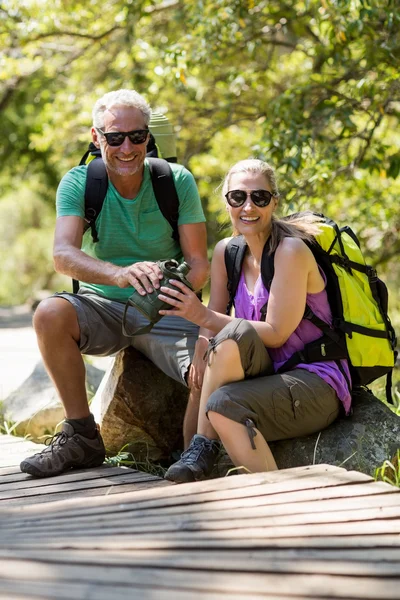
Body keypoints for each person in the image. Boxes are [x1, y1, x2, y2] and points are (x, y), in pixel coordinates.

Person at [20, 89, 209, 478]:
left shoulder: (176, 181)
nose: (127, 148)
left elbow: (199, 264)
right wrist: (119, 274)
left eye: (137, 137)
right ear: (96, 137)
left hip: (167, 309)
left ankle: (198, 453)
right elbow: (63, 255)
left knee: (212, 363)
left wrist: (166, 288)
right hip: (102, 307)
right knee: (50, 313)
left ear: (148, 138)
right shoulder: (79, 183)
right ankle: (82, 437)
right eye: (115, 137)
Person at [158, 158, 352, 483]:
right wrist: (199, 357)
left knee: (223, 398)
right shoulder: (227, 252)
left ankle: (269, 496)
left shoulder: (290, 251)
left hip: (313, 379)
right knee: (214, 351)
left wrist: (200, 315)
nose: (248, 206)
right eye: (238, 197)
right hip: (267, 371)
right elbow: (214, 320)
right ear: (227, 202)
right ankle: (193, 453)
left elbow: (275, 333)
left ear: (274, 202)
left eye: (259, 197)